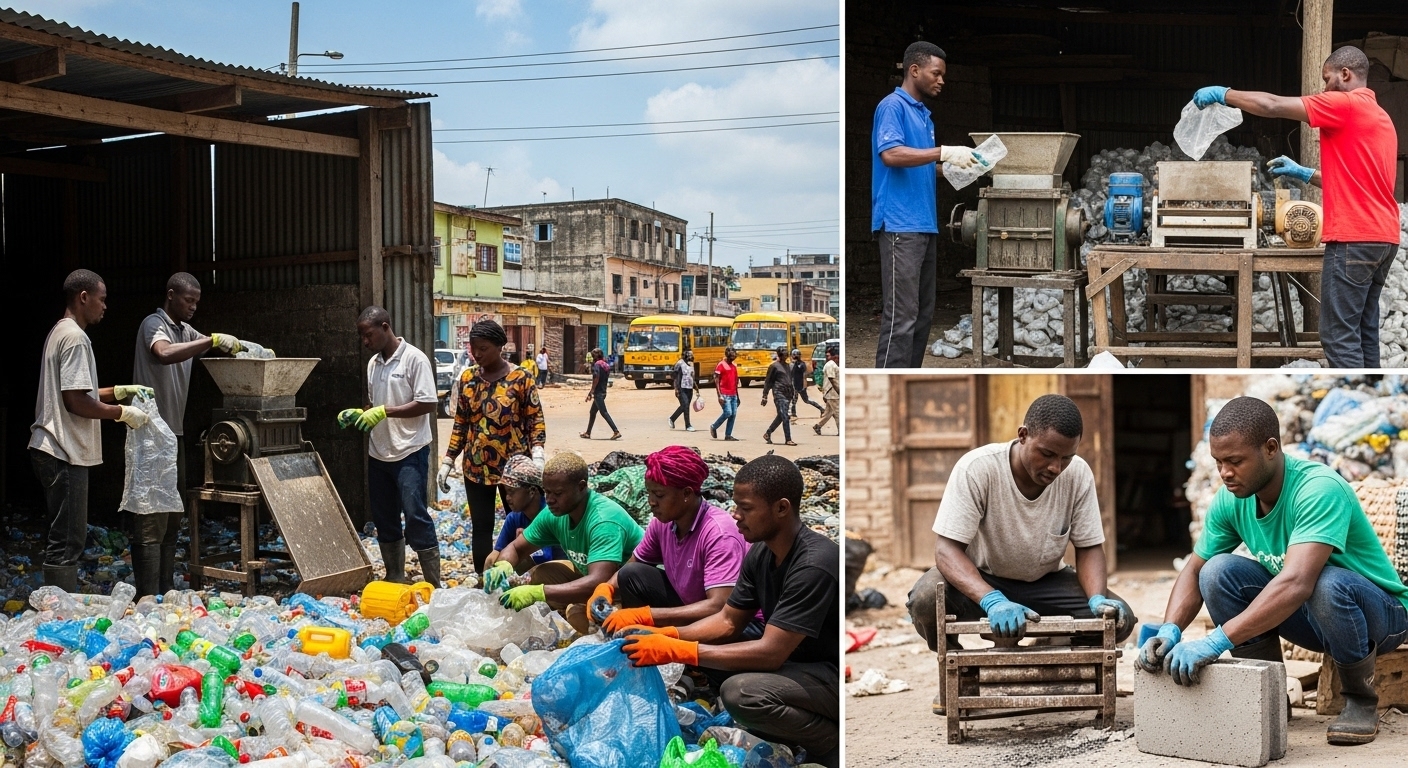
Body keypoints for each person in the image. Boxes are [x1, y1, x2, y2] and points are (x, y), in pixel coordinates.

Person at [1136, 397, 1408, 746]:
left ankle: (1359, 699)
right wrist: (1170, 628)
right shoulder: (1232, 499)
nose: (1224, 473)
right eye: (1218, 462)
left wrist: (1216, 641)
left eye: (1235, 461)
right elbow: (1194, 569)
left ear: (1270, 448)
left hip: (1380, 620)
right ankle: (1269, 695)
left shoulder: (1317, 489)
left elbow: (1296, 583)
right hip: (1313, 617)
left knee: (1326, 582)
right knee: (1217, 572)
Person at [906, 394, 1136, 715]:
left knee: (1118, 618)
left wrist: (1096, 599)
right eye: (1047, 454)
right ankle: (958, 672)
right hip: (981, 580)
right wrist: (992, 600)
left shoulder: (1078, 474)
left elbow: (1089, 547)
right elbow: (946, 551)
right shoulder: (978, 469)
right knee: (926, 599)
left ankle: (1056, 659)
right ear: (1023, 435)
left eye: (1066, 457)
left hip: (1045, 582)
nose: (1056, 467)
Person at [616, 455, 839, 768]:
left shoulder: (813, 563)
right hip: (795, 664)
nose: (736, 515)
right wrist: (664, 636)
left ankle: (828, 743)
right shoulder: (761, 552)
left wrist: (682, 650)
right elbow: (727, 621)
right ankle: (788, 725)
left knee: (740, 693)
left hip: (829, 673)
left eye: (745, 508)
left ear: (781, 508)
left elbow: (771, 653)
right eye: (736, 505)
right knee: (723, 661)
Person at [1193, 46, 1399, 368]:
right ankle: (1373, 391)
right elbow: (1355, 182)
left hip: (1354, 239)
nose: (1324, 89)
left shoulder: (1344, 103)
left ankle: (1351, 402)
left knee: (1337, 336)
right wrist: (1304, 173)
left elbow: (1272, 105)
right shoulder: (1381, 117)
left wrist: (1225, 93)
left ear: (1345, 75)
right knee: (1363, 332)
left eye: (1327, 79)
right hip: (1384, 239)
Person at [31, 269, 152, 592]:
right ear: (83, 298)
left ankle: (59, 604)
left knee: (66, 534)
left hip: (52, 446)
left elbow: (79, 392)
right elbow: (75, 401)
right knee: (68, 539)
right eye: (102, 299)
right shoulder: (75, 338)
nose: (105, 306)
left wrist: (118, 392)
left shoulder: (60, 332)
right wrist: (122, 413)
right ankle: (61, 612)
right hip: (63, 448)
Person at [129, 272, 248, 596]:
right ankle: (146, 595)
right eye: (188, 300)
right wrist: (210, 341)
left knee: (170, 517)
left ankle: (165, 590)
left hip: (173, 435)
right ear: (171, 295)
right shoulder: (154, 324)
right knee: (150, 517)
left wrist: (243, 347)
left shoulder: (184, 331)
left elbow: (202, 343)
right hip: (150, 434)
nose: (193, 306)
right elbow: (164, 353)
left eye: (197, 301)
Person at [872, 41, 983, 369]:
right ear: (914, 70)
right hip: (899, 226)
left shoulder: (924, 116)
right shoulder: (892, 107)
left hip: (924, 225)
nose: (941, 80)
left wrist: (953, 168)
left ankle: (907, 375)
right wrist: (942, 152)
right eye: (937, 73)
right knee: (901, 317)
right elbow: (891, 154)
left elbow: (918, 164)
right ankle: (888, 382)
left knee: (921, 316)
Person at [591, 446, 754, 637]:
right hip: (690, 606)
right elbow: (632, 566)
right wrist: (605, 589)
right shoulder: (663, 523)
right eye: (649, 493)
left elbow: (720, 606)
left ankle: (659, 642)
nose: (651, 501)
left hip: (734, 623)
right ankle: (635, 637)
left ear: (686, 494)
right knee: (631, 574)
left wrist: (646, 616)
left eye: (659, 495)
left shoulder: (718, 533)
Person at [339, 307, 441, 585]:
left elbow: (428, 402)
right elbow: (375, 404)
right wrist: (361, 413)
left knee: (415, 514)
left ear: (385, 327)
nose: (365, 342)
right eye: (362, 336)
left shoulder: (414, 359)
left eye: (368, 335)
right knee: (384, 518)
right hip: (379, 453)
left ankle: (434, 583)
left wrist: (385, 412)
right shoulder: (373, 364)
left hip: (410, 451)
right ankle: (395, 576)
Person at [488, 452, 643, 634]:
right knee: (543, 573)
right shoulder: (555, 513)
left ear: (581, 487)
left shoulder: (603, 520)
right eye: (547, 492)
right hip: (597, 579)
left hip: (630, 590)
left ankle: (625, 621)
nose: (550, 500)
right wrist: (504, 565)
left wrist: (538, 593)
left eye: (558, 493)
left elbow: (599, 580)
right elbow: (516, 547)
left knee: (579, 616)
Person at [438, 319, 547, 576]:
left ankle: (523, 576)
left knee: (523, 523)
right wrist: (448, 460)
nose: (476, 354)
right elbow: (461, 423)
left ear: (500, 346)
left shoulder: (521, 378)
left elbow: (535, 419)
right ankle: (482, 579)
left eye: (483, 348)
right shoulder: (468, 379)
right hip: (476, 468)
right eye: (473, 348)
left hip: (515, 470)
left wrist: (538, 452)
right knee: (482, 526)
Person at [483, 454, 560, 570]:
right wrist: (490, 567)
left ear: (532, 491)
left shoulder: (551, 516)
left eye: (512, 492)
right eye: (506, 493)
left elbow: (546, 557)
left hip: (558, 572)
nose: (507, 498)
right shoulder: (514, 518)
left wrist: (523, 544)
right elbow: (496, 554)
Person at [581, 347, 621, 440]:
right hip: (603, 391)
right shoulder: (605, 365)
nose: (592, 357)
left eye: (593, 355)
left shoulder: (597, 365)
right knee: (592, 412)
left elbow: (596, 378)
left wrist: (591, 391)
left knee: (604, 412)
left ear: (596, 355)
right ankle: (588, 433)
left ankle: (616, 431)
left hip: (598, 393)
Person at [761, 347, 796, 446]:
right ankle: (788, 439)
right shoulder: (774, 366)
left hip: (788, 393)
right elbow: (768, 382)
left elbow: (790, 380)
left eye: (786, 354)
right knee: (785, 416)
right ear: (779, 355)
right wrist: (765, 396)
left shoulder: (789, 366)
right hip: (778, 393)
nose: (785, 356)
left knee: (781, 416)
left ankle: (768, 433)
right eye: (783, 354)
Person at [711, 346, 741, 442]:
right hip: (724, 394)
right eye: (732, 354)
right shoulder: (721, 365)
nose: (734, 356)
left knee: (733, 415)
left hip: (733, 394)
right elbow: (716, 380)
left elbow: (735, 382)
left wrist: (738, 396)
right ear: (727, 354)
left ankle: (728, 435)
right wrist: (719, 395)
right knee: (728, 412)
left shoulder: (734, 366)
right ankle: (714, 426)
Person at [789, 349, 824, 420]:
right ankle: (793, 414)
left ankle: (822, 409)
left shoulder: (802, 364)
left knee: (806, 400)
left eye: (796, 355)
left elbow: (804, 376)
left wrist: (804, 386)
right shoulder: (791, 364)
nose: (795, 356)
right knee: (793, 400)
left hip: (800, 385)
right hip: (794, 385)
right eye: (794, 355)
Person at [814, 345, 840, 436]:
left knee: (829, 412)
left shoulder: (835, 364)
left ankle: (818, 425)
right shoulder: (830, 365)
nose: (827, 357)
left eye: (828, 355)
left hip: (832, 392)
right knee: (838, 412)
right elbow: (832, 379)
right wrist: (839, 391)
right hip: (832, 392)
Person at [670, 350, 697, 432]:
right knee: (685, 405)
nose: (692, 356)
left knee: (685, 407)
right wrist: (676, 389)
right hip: (681, 388)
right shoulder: (679, 364)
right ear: (685, 355)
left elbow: (692, 377)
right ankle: (688, 425)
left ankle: (672, 418)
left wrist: (696, 388)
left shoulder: (691, 364)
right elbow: (675, 377)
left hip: (689, 388)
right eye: (690, 355)